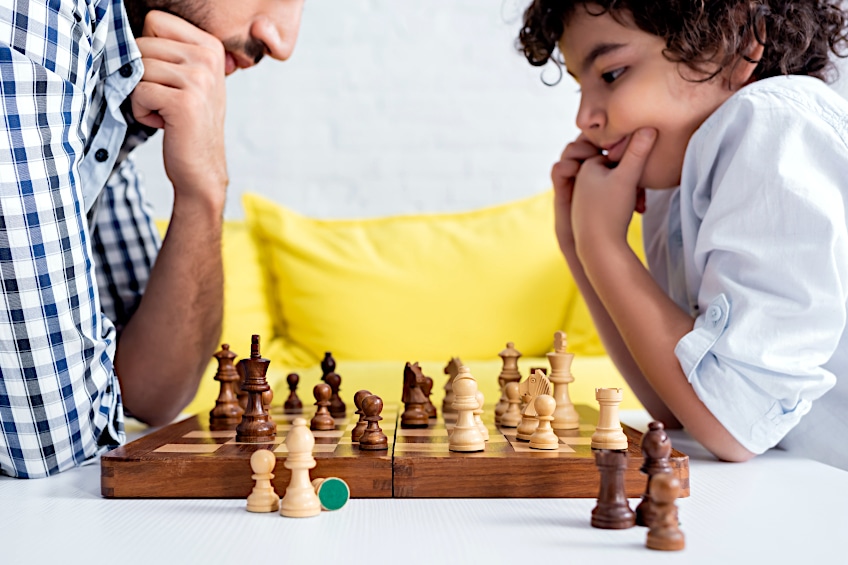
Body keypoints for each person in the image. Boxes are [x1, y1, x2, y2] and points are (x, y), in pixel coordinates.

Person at [518, 1, 848, 469]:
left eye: (611, 74)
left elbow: (735, 425)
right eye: (579, 85)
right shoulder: (678, 182)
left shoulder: (773, 124)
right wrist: (579, 245)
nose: (584, 117)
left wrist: (604, 246)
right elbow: (679, 406)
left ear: (734, 43)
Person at [0, 0, 305, 478]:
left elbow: (151, 394)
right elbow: (47, 441)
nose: (283, 40)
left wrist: (203, 191)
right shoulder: (29, 21)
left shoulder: (106, 71)